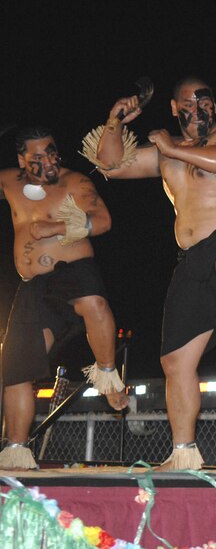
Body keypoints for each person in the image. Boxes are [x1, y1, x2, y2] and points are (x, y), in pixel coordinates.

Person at [82, 76, 216, 470]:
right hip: (193, 257)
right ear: (174, 109)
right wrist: (116, 120)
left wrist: (171, 147)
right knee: (176, 363)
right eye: (188, 103)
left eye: (205, 101)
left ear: (215, 105)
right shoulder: (165, 154)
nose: (198, 108)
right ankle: (183, 454)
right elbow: (110, 164)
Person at [0, 126, 127, 470]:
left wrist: (56, 228)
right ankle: (15, 450)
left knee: (93, 303)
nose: (48, 161)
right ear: (21, 160)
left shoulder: (75, 183)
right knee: (16, 369)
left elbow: (102, 221)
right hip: (34, 288)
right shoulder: (9, 181)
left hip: (72, 270)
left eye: (52, 152)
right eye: (37, 157)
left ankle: (107, 373)